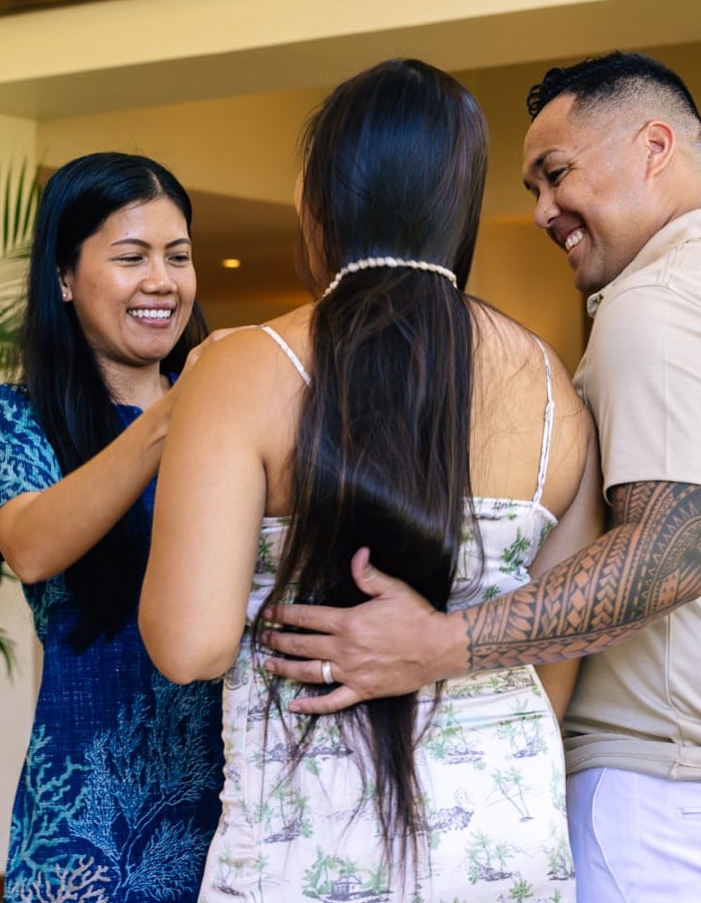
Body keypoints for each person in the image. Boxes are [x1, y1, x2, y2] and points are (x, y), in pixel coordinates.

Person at [140, 58, 603, 900]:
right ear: (458, 203)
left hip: (312, 835)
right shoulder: (550, 385)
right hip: (504, 829)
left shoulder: (244, 368)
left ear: (320, 203)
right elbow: (558, 644)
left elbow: (189, 644)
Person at [263, 51, 701, 900]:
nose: (541, 210)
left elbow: (676, 547)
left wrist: (440, 644)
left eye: (557, 174)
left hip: (653, 794)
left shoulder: (654, 303)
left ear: (655, 145)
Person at [0, 152, 223, 903]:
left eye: (178, 257)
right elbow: (32, 545)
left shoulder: (232, 419)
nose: (162, 282)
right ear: (64, 277)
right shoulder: (19, 417)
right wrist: (175, 412)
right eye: (131, 257)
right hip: (85, 824)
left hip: (233, 805)